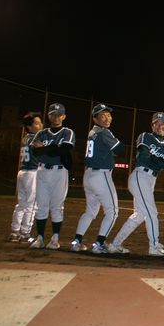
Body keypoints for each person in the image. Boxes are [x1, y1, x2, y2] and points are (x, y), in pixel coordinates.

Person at [108, 112, 164, 256]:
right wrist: (159, 162)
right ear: (152, 126)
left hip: (151, 179)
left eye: (163, 124)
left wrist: (154, 159)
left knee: (139, 215)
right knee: (151, 212)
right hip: (140, 176)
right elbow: (144, 155)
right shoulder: (145, 136)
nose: (160, 126)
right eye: (157, 123)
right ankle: (154, 246)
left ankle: (115, 245)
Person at [70, 104, 125, 253]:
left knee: (90, 212)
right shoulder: (103, 132)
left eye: (109, 115)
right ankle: (99, 244)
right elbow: (120, 149)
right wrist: (114, 150)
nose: (107, 118)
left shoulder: (92, 132)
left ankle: (76, 242)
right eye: (103, 115)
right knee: (112, 212)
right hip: (101, 176)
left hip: (89, 176)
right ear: (95, 119)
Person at [29, 103, 76, 250]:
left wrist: (44, 148)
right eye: (53, 114)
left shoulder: (68, 132)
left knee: (57, 206)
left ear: (64, 116)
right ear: (49, 116)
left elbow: (65, 150)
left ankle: (55, 238)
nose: (56, 117)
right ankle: (40, 238)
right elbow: (35, 152)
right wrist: (55, 148)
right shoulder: (41, 133)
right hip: (42, 171)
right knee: (41, 206)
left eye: (59, 115)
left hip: (59, 172)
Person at [8, 112, 43, 243]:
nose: (40, 125)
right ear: (29, 126)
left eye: (40, 122)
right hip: (32, 173)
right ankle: (25, 233)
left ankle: (15, 231)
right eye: (37, 123)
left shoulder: (25, 138)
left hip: (23, 172)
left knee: (21, 204)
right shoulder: (35, 139)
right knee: (31, 205)